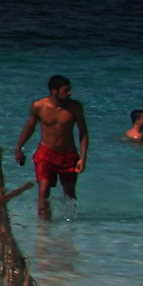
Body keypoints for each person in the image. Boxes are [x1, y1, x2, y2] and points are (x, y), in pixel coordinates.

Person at [15, 75, 89, 220]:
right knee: (44, 188)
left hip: (68, 154)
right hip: (45, 153)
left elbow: (83, 131)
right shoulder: (39, 106)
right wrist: (19, 148)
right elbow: (30, 127)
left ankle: (72, 225)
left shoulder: (75, 107)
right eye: (65, 90)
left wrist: (83, 157)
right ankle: (43, 230)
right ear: (54, 91)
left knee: (70, 193)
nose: (70, 93)